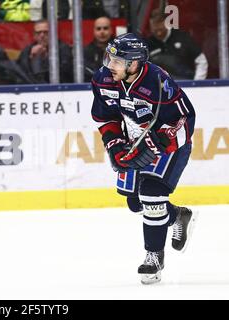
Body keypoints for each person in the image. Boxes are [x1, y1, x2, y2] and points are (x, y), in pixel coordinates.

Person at [91, 33, 198, 284]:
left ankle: (154, 258)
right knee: (135, 203)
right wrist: (114, 144)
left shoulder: (158, 82)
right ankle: (177, 216)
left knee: (152, 194)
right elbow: (106, 117)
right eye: (110, 58)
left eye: (117, 61)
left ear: (134, 63)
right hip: (133, 140)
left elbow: (184, 120)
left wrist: (158, 144)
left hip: (171, 144)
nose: (110, 65)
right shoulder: (103, 79)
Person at [146, 9, 208, 80]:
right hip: (159, 87)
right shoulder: (148, 43)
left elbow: (201, 59)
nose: (158, 33)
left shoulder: (182, 38)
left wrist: (197, 83)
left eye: (160, 29)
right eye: (155, 30)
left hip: (186, 85)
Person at [83, 15, 113, 82]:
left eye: (105, 28)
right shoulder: (87, 51)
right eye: (98, 29)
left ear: (111, 30)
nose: (102, 32)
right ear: (94, 31)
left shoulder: (119, 50)